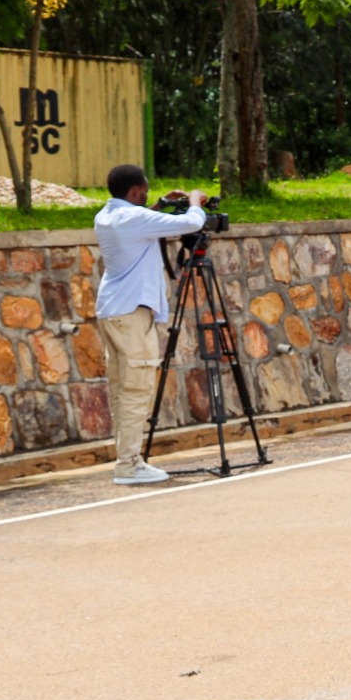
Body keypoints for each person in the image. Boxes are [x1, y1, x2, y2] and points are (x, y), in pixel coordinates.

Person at [92, 164, 206, 486]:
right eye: (144, 191)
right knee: (136, 390)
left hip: (113, 312)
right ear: (136, 191)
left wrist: (157, 206)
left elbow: (141, 223)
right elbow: (191, 221)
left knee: (121, 389)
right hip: (131, 315)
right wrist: (195, 199)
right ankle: (129, 464)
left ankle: (127, 458)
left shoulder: (107, 216)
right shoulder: (135, 219)